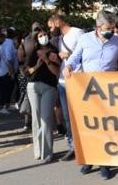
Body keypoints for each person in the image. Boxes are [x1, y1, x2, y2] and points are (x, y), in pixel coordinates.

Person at [64, 10, 118, 180]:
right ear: (98, 26)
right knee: (90, 126)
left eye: (113, 28)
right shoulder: (85, 39)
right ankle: (89, 159)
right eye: (108, 28)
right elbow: (75, 58)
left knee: (106, 127)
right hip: (88, 90)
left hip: (109, 92)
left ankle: (104, 162)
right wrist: (68, 67)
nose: (111, 31)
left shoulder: (117, 42)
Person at [50, 13, 84, 162]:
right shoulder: (59, 39)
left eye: (51, 25)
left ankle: (83, 145)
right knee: (67, 116)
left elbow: (84, 53)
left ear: (58, 22)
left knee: (79, 115)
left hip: (77, 80)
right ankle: (72, 147)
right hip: (63, 81)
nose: (50, 29)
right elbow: (63, 60)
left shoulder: (77, 32)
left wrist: (67, 54)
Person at [26, 26, 61, 164]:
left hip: (49, 87)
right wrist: (37, 65)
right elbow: (26, 71)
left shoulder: (53, 51)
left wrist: (48, 61)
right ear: (36, 38)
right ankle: (38, 150)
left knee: (46, 118)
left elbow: (57, 72)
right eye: (40, 36)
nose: (43, 37)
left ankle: (47, 152)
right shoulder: (33, 52)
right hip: (33, 86)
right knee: (36, 118)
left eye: (45, 34)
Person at [0, 28, 18, 114]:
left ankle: (6, 105)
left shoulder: (6, 42)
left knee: (8, 88)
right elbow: (9, 59)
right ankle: (2, 106)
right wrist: (12, 72)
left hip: (5, 69)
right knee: (6, 89)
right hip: (7, 71)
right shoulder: (9, 43)